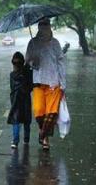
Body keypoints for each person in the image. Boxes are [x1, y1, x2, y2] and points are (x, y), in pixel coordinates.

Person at [25, 17, 66, 150]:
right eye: (41, 25)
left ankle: (44, 137)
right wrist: (32, 61)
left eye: (46, 24)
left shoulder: (55, 43)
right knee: (39, 111)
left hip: (54, 82)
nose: (44, 27)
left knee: (51, 113)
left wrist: (63, 83)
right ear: (38, 27)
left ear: (49, 26)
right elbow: (27, 60)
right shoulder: (33, 43)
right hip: (38, 82)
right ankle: (43, 134)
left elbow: (60, 62)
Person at [8, 51, 33, 149]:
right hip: (26, 99)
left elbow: (12, 88)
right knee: (27, 120)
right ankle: (26, 139)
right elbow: (31, 86)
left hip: (15, 100)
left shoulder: (12, 75)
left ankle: (15, 141)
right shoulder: (28, 73)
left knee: (16, 120)